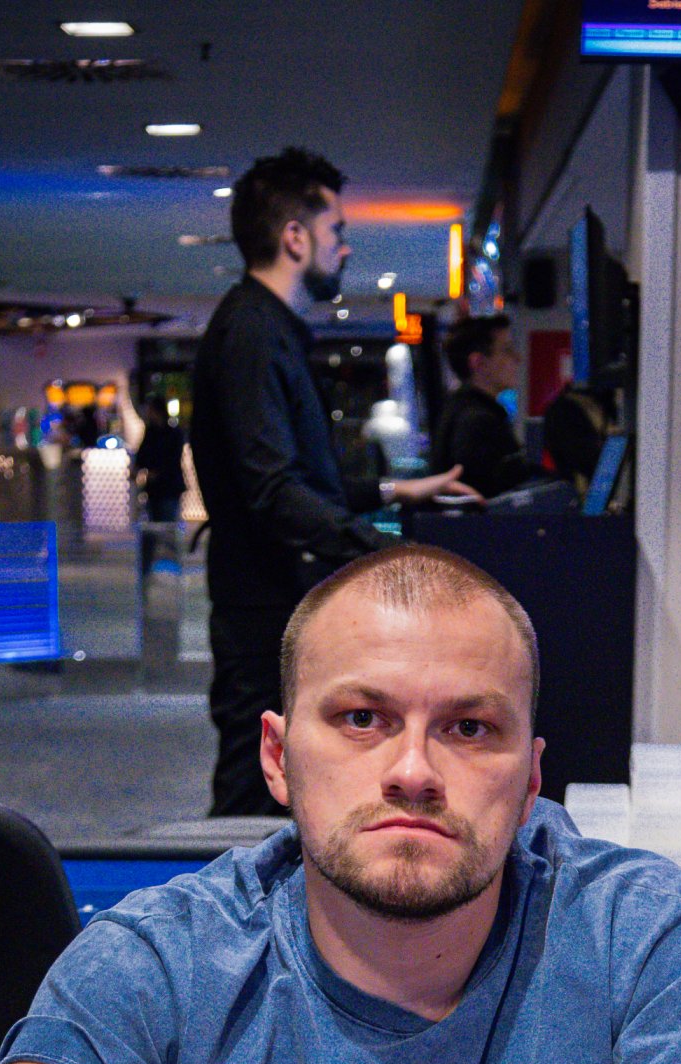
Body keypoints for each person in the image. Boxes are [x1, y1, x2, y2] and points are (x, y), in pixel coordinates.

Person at [0, 543, 681, 1064]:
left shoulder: (652, 943)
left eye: (469, 729)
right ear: (277, 756)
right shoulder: (151, 967)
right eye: (362, 719)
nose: (413, 773)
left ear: (531, 780)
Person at [189, 146, 476, 818]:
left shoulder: (272, 329)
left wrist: (396, 493)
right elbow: (272, 493)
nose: (344, 247)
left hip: (280, 598)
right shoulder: (252, 332)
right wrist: (386, 553)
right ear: (295, 237)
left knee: (289, 788)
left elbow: (303, 481)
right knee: (254, 792)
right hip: (262, 604)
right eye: (336, 231)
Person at [431, 315, 537, 500]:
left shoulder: (459, 409)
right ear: (478, 362)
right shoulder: (478, 421)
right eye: (507, 350)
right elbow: (495, 497)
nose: (517, 358)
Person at [135, 394, 186, 575]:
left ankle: (171, 568)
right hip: (155, 489)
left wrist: (154, 471)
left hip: (168, 488)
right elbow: (142, 456)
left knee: (167, 528)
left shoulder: (173, 433)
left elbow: (172, 460)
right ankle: (151, 569)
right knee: (154, 529)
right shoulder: (152, 432)